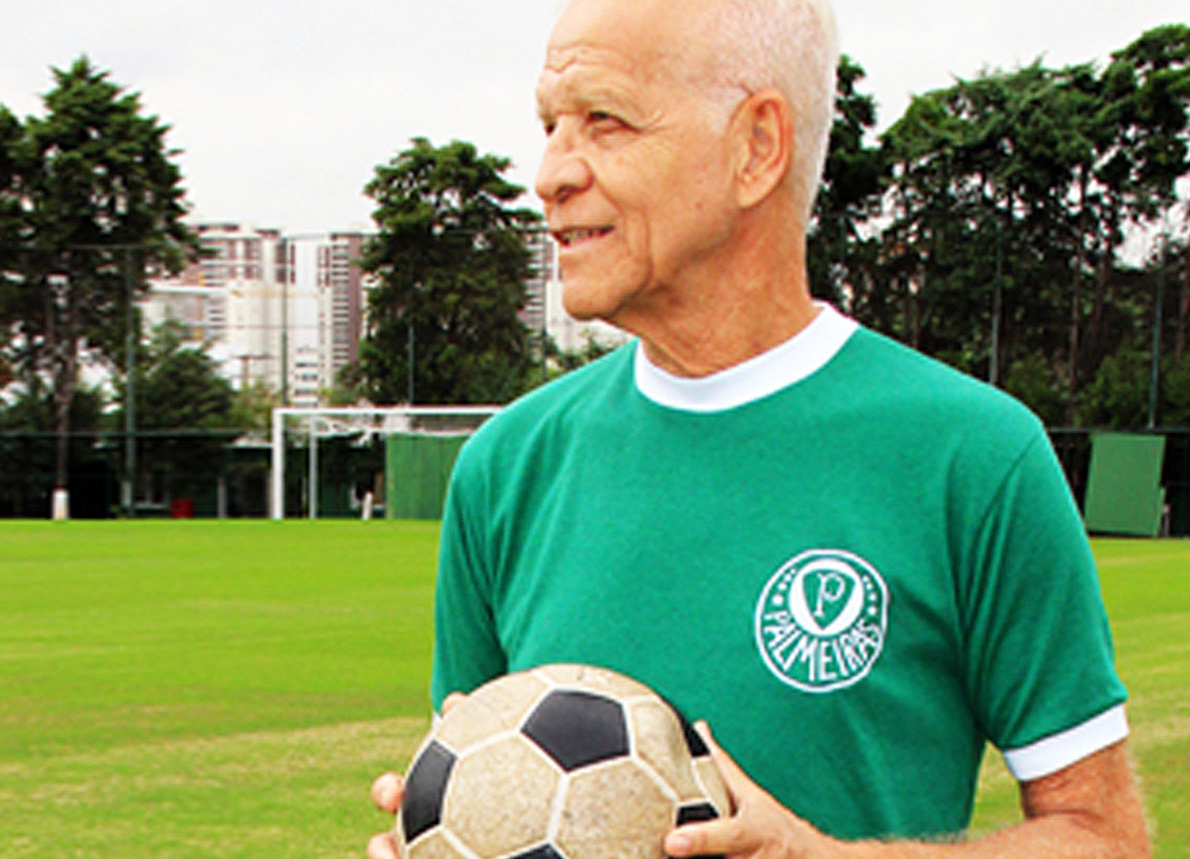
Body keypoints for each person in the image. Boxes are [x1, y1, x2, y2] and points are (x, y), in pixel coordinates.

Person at [369, 0, 1150, 855]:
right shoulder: (505, 468)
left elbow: (1103, 837)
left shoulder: (971, 457)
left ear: (756, 148)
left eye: (605, 122)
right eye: (550, 125)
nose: (551, 171)